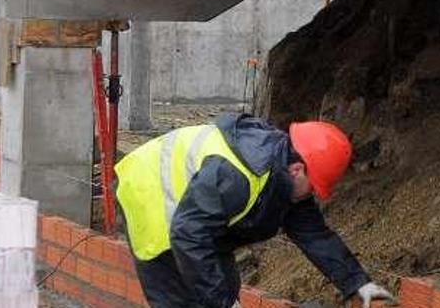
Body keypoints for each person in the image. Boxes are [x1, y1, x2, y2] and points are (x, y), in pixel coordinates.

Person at [114, 113, 394, 308]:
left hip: (199, 217)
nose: (312, 195)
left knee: (222, 288)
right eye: (314, 187)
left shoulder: (284, 176)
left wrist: (359, 284)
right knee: (182, 300)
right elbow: (187, 236)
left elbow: (314, 235)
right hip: (152, 198)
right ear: (297, 170)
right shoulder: (238, 175)